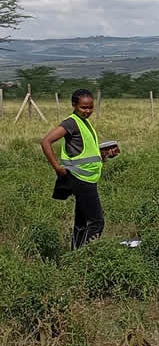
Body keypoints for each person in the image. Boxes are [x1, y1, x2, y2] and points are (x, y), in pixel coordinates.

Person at [41, 89, 117, 249]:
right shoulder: (71, 122)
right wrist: (57, 168)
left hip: (88, 178)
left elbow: (85, 152)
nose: (87, 111)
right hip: (80, 179)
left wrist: (104, 155)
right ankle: (85, 258)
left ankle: (75, 255)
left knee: (81, 222)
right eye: (83, 107)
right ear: (74, 105)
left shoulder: (85, 122)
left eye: (90, 107)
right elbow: (46, 142)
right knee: (97, 222)